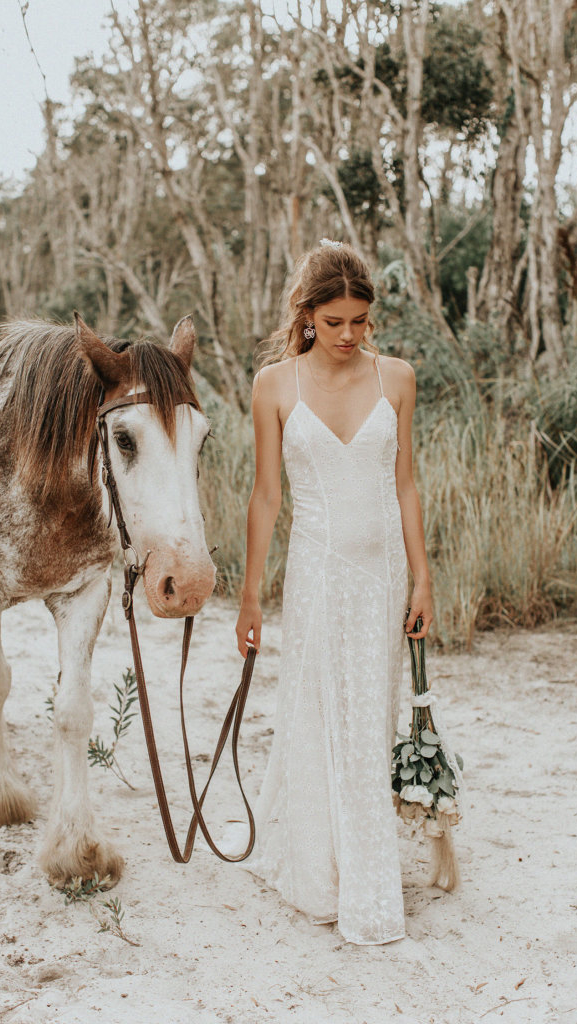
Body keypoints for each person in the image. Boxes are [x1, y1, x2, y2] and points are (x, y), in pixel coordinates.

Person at [234, 239, 433, 945]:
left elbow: (404, 484)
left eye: (360, 321)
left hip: (379, 577)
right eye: (335, 321)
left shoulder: (398, 379)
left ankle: (367, 877)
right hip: (315, 573)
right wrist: (251, 596)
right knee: (316, 712)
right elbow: (265, 499)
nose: (349, 335)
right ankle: (318, 872)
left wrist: (421, 576)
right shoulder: (274, 386)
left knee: (365, 717)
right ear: (307, 314)